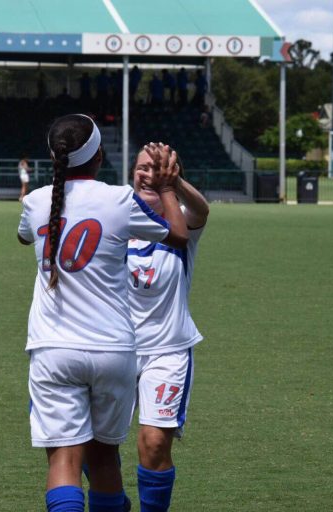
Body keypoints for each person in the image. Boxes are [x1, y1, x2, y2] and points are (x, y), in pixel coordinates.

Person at [17, 114, 188, 512]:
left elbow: (24, 236)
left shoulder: (36, 201)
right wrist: (166, 187)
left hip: (54, 347)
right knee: (104, 458)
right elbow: (179, 235)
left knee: (65, 461)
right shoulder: (119, 199)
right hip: (114, 350)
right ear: (99, 157)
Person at [128, 146, 209, 512]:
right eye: (143, 168)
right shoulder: (116, 216)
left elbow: (202, 211)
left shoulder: (181, 226)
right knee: (94, 444)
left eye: (158, 169)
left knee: (154, 444)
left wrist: (172, 186)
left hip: (167, 350)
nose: (149, 174)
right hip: (113, 350)